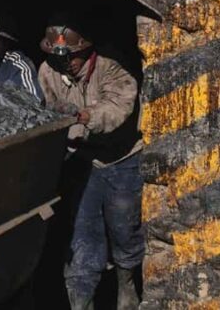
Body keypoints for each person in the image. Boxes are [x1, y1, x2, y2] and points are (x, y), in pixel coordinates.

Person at [37, 16, 143, 310]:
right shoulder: (48, 70)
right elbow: (42, 108)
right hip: (81, 160)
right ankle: (81, 301)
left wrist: (85, 116)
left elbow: (118, 107)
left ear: (86, 50)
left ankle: (127, 283)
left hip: (121, 159)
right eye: (60, 57)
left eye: (72, 56)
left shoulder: (111, 67)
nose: (66, 63)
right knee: (82, 235)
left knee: (124, 228)